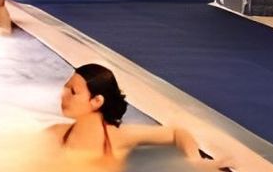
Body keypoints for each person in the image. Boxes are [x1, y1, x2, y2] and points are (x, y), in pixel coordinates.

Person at [47, 63, 221, 165]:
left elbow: (178, 133)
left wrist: (195, 162)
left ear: (97, 101)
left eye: (73, 91)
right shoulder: (55, 133)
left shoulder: (118, 138)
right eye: (65, 88)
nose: (64, 95)